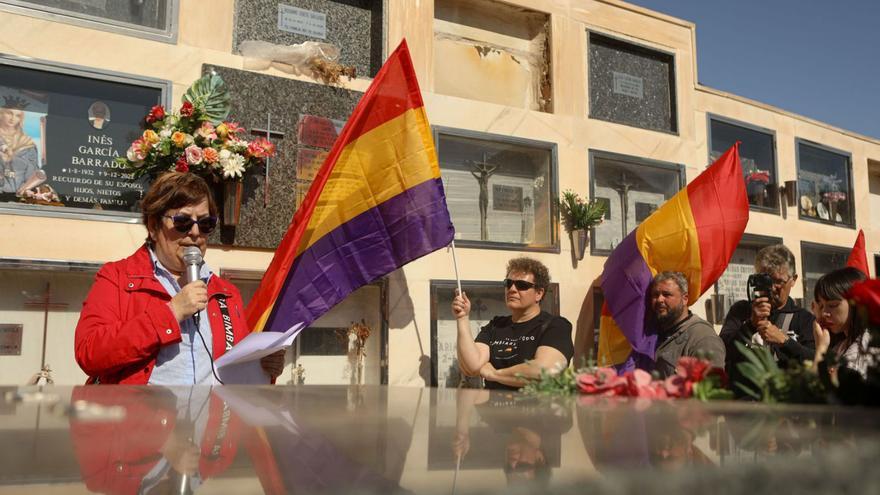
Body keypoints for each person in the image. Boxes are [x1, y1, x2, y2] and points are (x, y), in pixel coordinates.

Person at [74, 172, 284, 384]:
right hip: (141, 416)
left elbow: (233, 368)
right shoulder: (117, 277)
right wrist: (171, 313)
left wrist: (264, 366)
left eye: (206, 224)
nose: (194, 232)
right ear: (154, 227)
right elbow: (89, 353)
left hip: (209, 416)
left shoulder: (226, 292)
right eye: (183, 221)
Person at [452, 257, 573, 390]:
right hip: (492, 410)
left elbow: (545, 372)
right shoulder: (495, 325)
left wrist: (494, 374)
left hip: (536, 410)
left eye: (522, 285)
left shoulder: (555, 326)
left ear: (539, 293)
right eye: (508, 283)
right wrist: (462, 318)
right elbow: (472, 366)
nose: (512, 289)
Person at [720, 244, 815, 386]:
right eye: (766, 280)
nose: (771, 288)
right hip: (743, 401)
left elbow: (815, 361)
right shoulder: (740, 311)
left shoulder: (804, 319)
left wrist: (785, 341)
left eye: (778, 281)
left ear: (793, 280)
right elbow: (722, 351)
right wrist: (750, 325)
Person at [651, 271, 725, 378]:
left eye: (667, 294)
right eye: (655, 295)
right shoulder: (652, 333)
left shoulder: (702, 338)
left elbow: (709, 389)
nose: (659, 300)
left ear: (685, 299)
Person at [811, 267, 875, 379]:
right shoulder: (841, 345)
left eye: (832, 305)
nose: (824, 313)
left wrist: (821, 349)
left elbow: (813, 390)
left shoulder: (867, 345)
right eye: (821, 306)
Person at [0, 106, 40, 195]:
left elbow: (31, 174)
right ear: (1, 114)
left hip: (18, 196)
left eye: (17, 115)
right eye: (9, 113)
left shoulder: (28, 144)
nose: (12, 118)